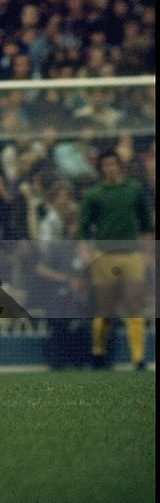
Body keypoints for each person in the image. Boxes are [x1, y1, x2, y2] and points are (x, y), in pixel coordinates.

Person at [77, 149, 153, 370]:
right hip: (104, 255)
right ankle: (98, 353)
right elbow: (82, 228)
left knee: (133, 304)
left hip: (132, 254)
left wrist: (148, 254)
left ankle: (138, 358)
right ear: (101, 168)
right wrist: (84, 252)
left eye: (113, 164)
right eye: (105, 165)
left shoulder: (134, 190)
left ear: (120, 166)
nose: (110, 168)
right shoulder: (95, 194)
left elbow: (146, 225)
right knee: (105, 308)